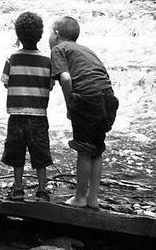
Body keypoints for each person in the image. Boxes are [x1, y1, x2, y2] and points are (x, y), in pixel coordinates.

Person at [49, 16, 119, 208]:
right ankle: (93, 199)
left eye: (49, 32)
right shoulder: (86, 50)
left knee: (83, 149)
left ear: (56, 34)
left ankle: (80, 197)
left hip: (87, 99)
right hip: (108, 98)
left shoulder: (58, 49)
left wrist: (70, 104)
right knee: (96, 149)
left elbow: (65, 79)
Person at [0, 11, 53, 201]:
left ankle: (18, 188)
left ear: (18, 35)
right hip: (38, 115)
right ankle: (42, 190)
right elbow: (50, 85)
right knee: (40, 153)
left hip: (16, 114)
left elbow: (6, 82)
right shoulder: (47, 61)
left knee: (16, 153)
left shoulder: (12, 59)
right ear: (40, 35)